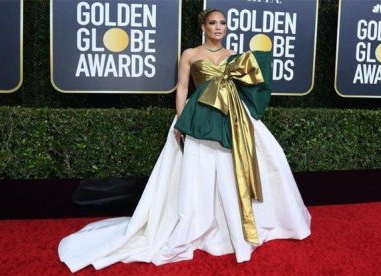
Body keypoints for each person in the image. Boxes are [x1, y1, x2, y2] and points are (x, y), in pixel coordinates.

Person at [58, 9, 311, 272]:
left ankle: (236, 224)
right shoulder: (190, 54)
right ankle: (200, 222)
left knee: (240, 166)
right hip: (199, 113)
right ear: (203, 26)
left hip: (233, 117)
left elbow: (251, 84)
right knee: (199, 171)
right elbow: (182, 88)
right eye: (213, 23)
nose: (218, 27)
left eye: (222, 23)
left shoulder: (234, 56)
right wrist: (181, 121)